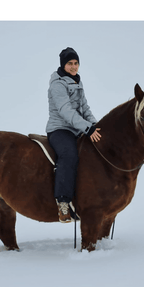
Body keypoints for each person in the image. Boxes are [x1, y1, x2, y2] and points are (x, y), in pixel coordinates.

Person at [46, 47, 101, 223]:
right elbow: (66, 111)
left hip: (77, 129)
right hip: (60, 129)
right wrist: (87, 128)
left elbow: (84, 108)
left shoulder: (77, 81)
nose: (73, 66)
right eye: (70, 63)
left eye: (76, 63)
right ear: (63, 64)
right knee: (69, 155)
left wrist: (95, 126)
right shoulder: (58, 84)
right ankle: (63, 202)